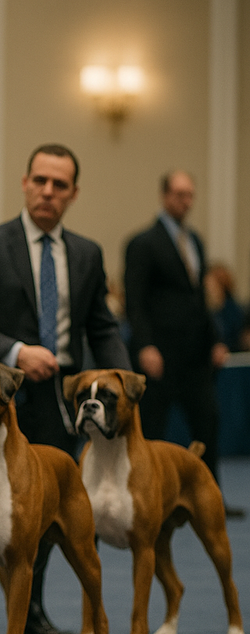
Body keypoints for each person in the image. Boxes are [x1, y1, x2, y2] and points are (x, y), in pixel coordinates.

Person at [0, 143, 131, 634]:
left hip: (58, 403)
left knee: (43, 517)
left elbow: (101, 327)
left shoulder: (87, 254)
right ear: (25, 183)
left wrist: (125, 382)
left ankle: (30, 616)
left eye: (60, 184)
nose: (48, 191)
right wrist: (15, 352)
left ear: (73, 193)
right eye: (40, 181)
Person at [124, 171, 234, 507]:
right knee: (153, 433)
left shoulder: (195, 241)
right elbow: (134, 300)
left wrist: (215, 339)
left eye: (190, 195)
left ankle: (209, 499)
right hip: (159, 357)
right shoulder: (142, 243)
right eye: (179, 194)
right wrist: (144, 345)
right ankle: (152, 498)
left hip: (195, 357)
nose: (185, 201)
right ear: (164, 196)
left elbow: (199, 298)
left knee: (207, 425)